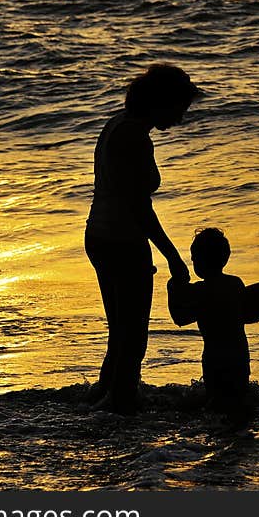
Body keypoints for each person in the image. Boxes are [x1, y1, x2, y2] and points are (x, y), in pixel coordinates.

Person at [85, 64, 199, 414]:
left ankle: (107, 395)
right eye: (179, 108)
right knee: (133, 336)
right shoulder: (135, 136)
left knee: (120, 331)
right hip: (122, 239)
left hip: (99, 234)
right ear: (162, 102)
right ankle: (120, 404)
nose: (180, 118)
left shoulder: (116, 125)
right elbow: (138, 206)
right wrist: (173, 257)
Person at [167, 228, 259, 422]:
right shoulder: (235, 284)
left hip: (214, 357)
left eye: (193, 258)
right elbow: (248, 311)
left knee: (216, 403)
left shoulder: (200, 291)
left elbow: (180, 317)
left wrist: (172, 288)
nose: (192, 262)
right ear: (225, 258)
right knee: (240, 399)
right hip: (239, 355)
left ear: (199, 261)